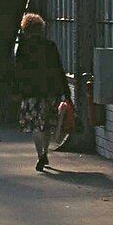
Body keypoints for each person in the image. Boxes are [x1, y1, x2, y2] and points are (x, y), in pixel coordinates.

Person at [11, 13, 70, 172]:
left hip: (30, 93)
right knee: (47, 124)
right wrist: (66, 93)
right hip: (50, 91)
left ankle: (40, 155)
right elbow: (58, 69)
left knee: (36, 125)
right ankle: (45, 151)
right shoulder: (50, 45)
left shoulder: (23, 48)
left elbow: (18, 71)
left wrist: (16, 90)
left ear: (25, 28)